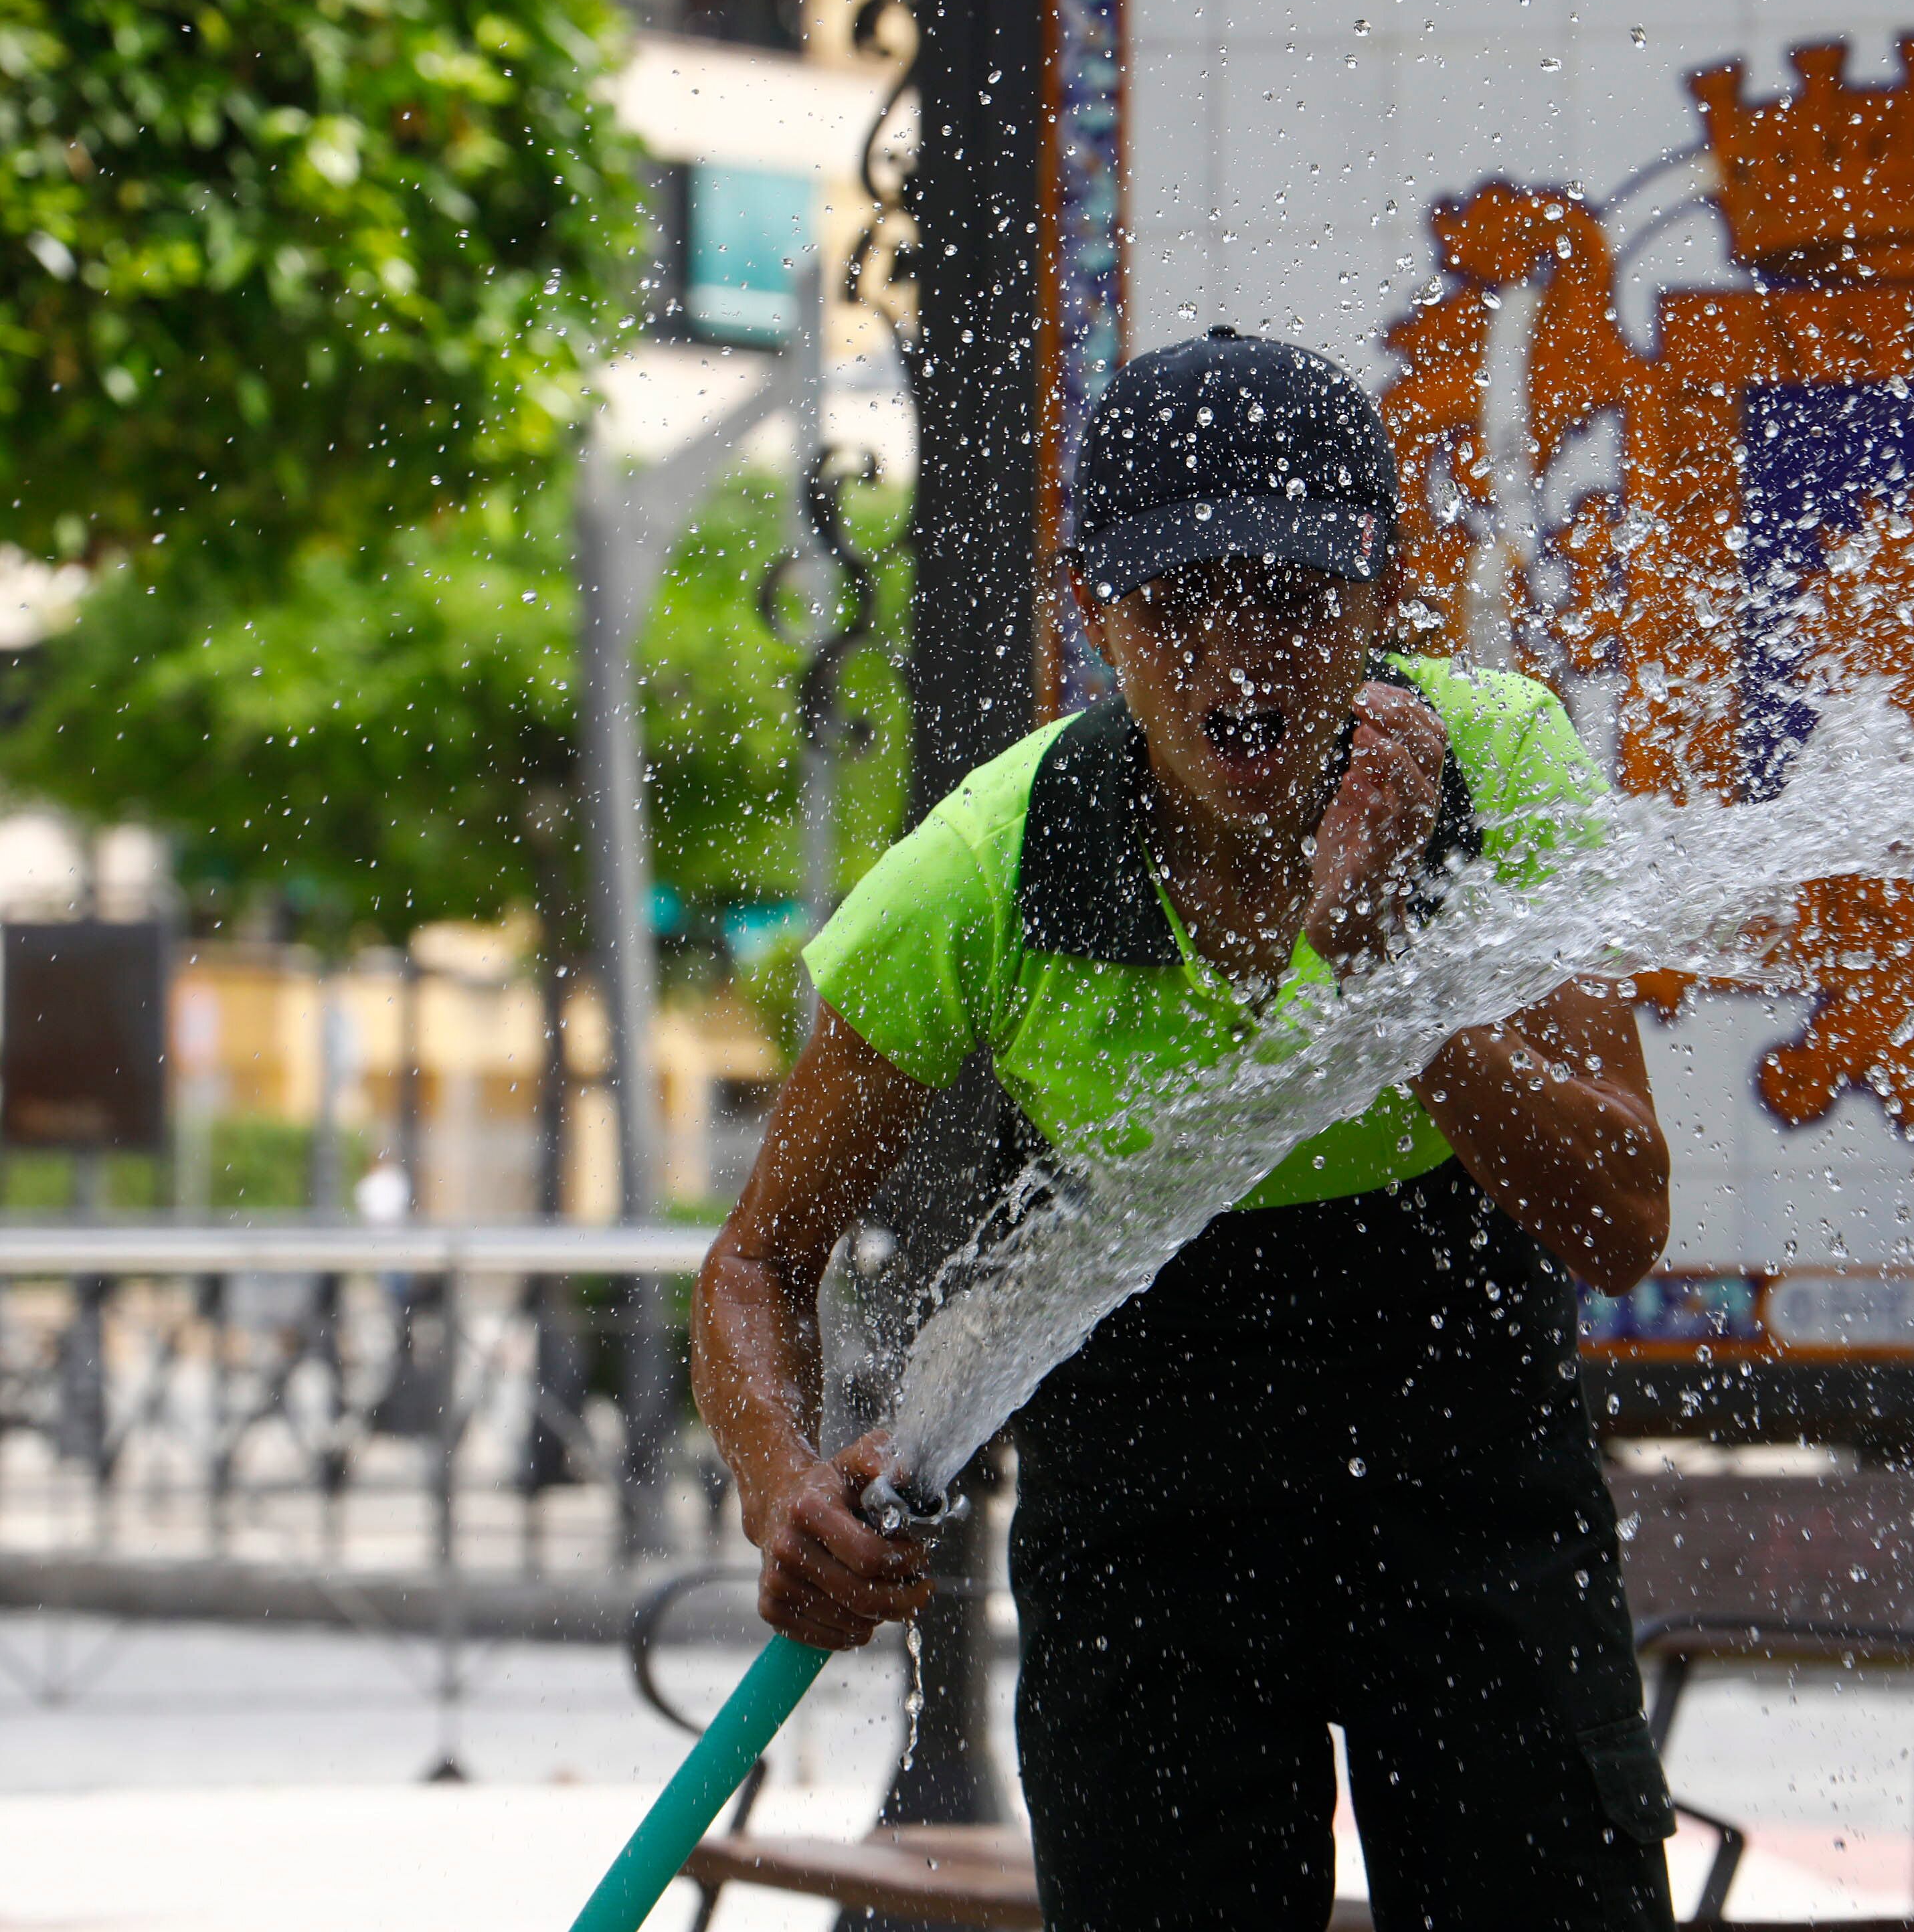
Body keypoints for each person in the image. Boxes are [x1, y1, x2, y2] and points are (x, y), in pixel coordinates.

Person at [692, 325, 1680, 1931]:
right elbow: (757, 1261)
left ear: (1382, 598)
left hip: (1461, 1456)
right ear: (1093, 611)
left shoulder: (1495, 762)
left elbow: (1621, 1218)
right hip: (1145, 1508)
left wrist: (1389, 986)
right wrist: (774, 1481)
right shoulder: (992, 865)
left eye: (1290, 601)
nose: (1237, 660)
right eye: (1174, 605)